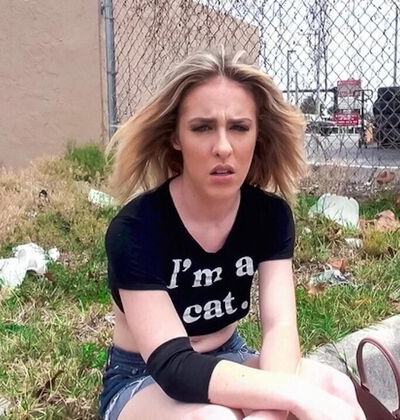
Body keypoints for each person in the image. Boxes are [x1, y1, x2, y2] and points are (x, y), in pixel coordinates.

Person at [100, 48, 366, 420]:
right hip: (145, 377)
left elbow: (279, 327)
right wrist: (293, 398)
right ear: (176, 136)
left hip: (231, 356)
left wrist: (272, 411)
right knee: (216, 419)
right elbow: (173, 366)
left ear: (258, 136)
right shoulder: (136, 229)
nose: (223, 147)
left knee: (337, 389)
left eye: (239, 128)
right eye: (202, 127)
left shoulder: (269, 216)